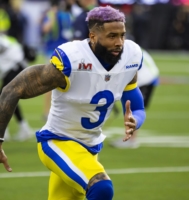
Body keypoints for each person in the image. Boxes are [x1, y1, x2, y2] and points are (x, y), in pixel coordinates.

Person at [0, 6, 146, 200]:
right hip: (57, 141)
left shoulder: (130, 56)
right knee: (101, 188)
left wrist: (135, 120)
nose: (119, 42)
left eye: (122, 35)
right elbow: (12, 90)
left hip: (89, 147)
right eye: (112, 36)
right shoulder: (73, 59)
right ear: (93, 36)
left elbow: (137, 107)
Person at [110, 49, 159, 148]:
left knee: (131, 107)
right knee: (131, 107)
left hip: (145, 78)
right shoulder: (130, 48)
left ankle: (131, 139)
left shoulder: (124, 51)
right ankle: (131, 138)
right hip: (148, 75)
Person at [0, 33, 33, 141]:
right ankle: (19, 129)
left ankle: (12, 130)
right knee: (7, 99)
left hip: (13, 69)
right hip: (16, 68)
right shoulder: (6, 39)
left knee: (7, 99)